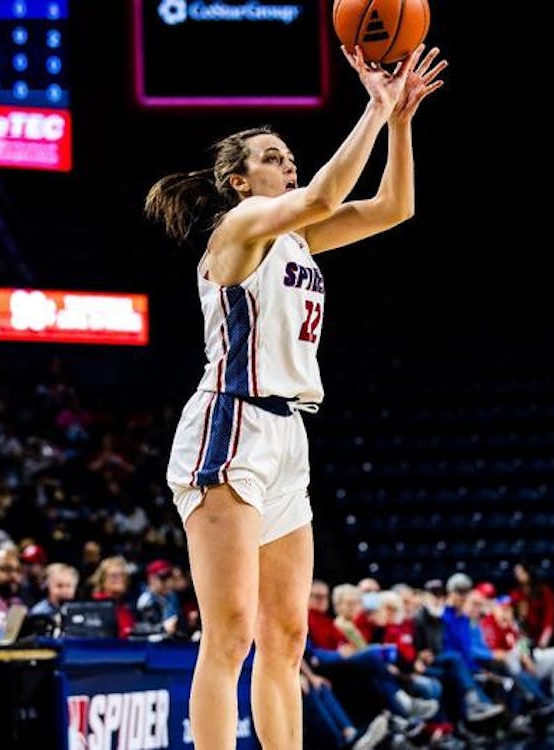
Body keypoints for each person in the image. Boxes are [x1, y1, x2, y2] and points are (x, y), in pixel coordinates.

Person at [146, 41, 447, 749]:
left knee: (285, 636)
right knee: (229, 634)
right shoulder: (239, 228)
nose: (288, 163)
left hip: (289, 436)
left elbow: (395, 207)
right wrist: (372, 108)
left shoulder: (299, 240)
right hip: (232, 423)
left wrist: (399, 120)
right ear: (237, 181)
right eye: (272, 157)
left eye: (288, 154)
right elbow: (323, 195)